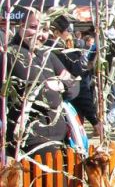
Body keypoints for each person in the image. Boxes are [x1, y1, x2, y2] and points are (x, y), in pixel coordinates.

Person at [4, 9, 79, 158]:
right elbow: (41, 94)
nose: (39, 34)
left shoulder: (47, 55)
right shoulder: (9, 55)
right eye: (33, 27)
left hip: (61, 136)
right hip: (30, 141)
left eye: (44, 29)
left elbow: (74, 86)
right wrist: (48, 86)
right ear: (20, 26)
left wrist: (61, 85)